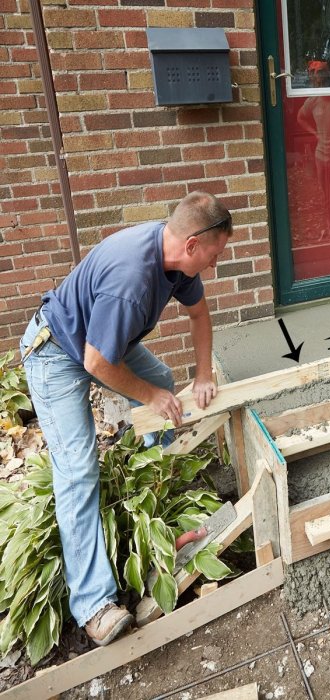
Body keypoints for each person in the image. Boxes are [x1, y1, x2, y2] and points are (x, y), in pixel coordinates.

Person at [19, 191, 232, 646]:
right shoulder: (132, 279)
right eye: (214, 256)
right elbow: (97, 363)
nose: (214, 267)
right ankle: (94, 606)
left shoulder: (175, 261)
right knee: (77, 468)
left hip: (100, 340)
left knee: (161, 377)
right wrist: (151, 396)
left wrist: (202, 373)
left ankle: (157, 492)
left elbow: (199, 314)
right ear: (193, 244)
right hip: (57, 353)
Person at [297, 60, 330, 241]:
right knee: (326, 196)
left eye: (321, 72)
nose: (318, 76)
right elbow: (300, 118)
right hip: (321, 156)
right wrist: (314, 134)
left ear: (328, 75)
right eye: (314, 73)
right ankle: (329, 226)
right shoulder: (312, 101)